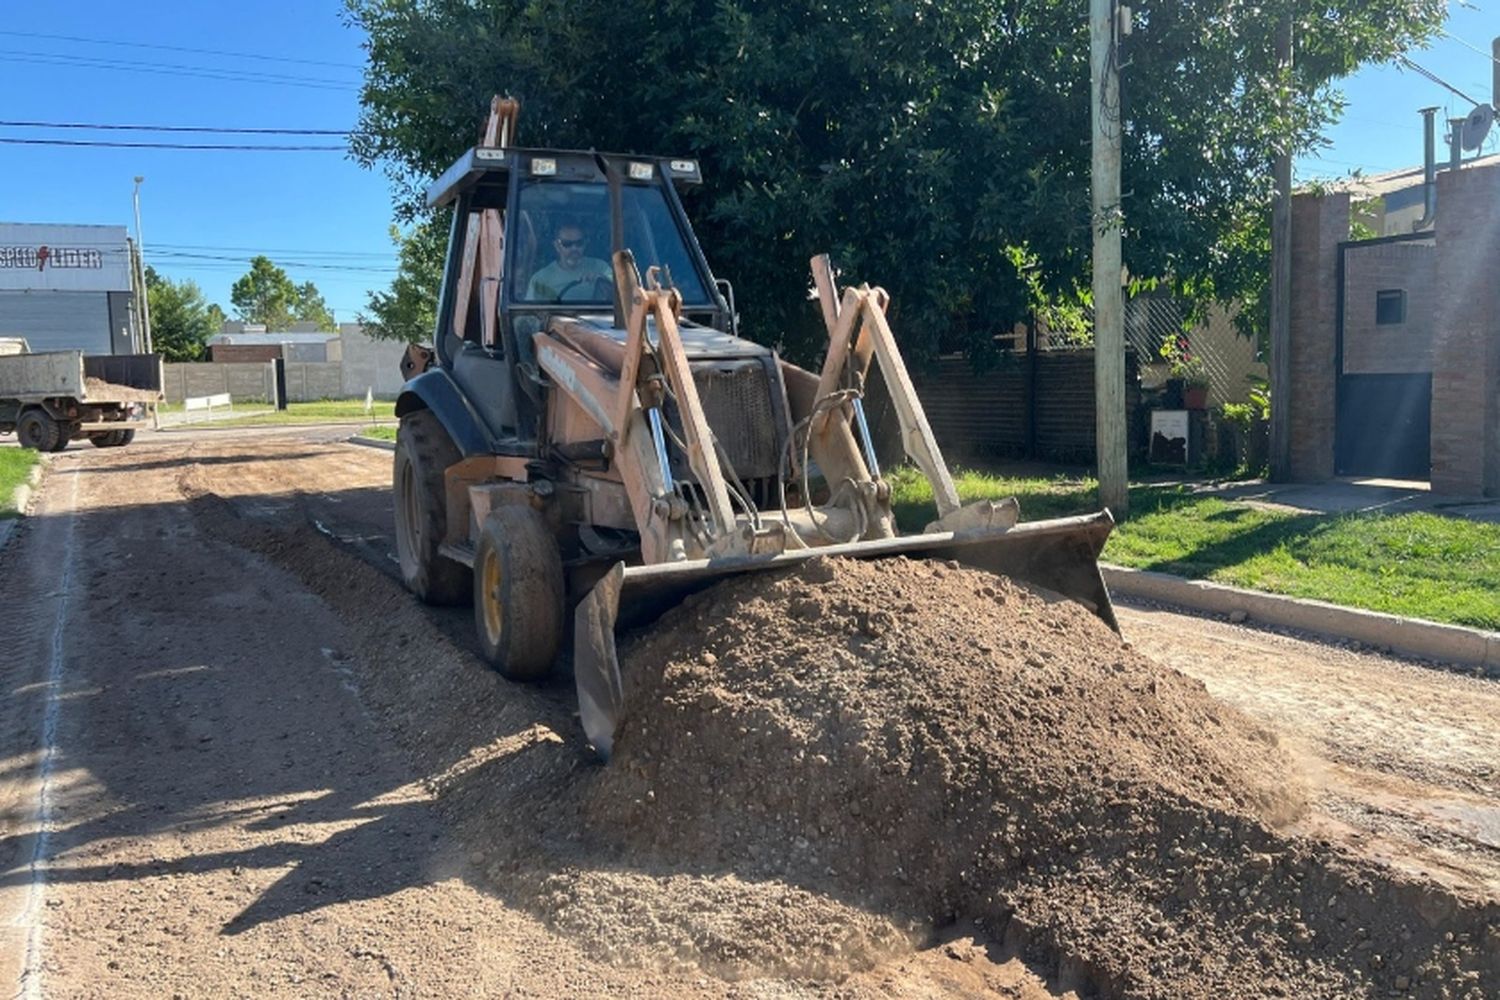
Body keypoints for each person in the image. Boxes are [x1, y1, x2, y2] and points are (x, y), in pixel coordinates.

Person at [525, 222, 612, 302]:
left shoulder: (601, 267)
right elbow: (528, 315)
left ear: (585, 244)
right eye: (567, 244)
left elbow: (621, 286)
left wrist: (602, 279)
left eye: (579, 243)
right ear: (557, 246)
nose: (574, 248)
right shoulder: (540, 279)